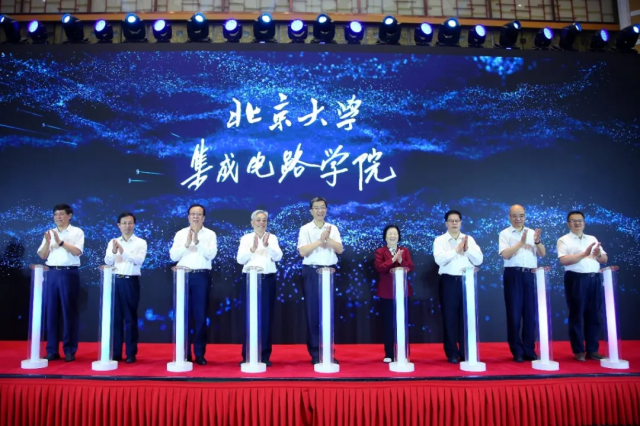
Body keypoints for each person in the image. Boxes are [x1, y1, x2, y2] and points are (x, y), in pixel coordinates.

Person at [297, 197, 344, 365]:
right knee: (313, 313)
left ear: (326, 209)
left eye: (323, 207)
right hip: (312, 272)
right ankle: (316, 353)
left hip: (329, 272)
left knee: (328, 313)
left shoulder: (333, 228)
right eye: (316, 208)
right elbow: (303, 252)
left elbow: (340, 249)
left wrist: (328, 239)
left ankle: (329, 352)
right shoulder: (305, 229)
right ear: (311, 211)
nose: (320, 210)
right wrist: (320, 240)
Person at [169, 204, 218, 366]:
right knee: (183, 316)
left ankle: (199, 353)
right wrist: (186, 244)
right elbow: (173, 256)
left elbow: (211, 255)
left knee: (200, 316)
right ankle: (184, 353)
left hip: (201, 276)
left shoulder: (210, 234)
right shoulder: (180, 234)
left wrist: (198, 243)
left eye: (199, 214)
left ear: (203, 218)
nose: (195, 217)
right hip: (182, 276)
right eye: (193, 214)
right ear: (188, 216)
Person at [433, 210, 483, 364]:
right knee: (449, 318)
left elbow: (479, 260)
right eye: (451, 220)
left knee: (466, 318)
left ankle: (466, 351)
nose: (454, 223)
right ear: (446, 223)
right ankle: (452, 353)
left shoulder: (469, 239)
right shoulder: (440, 240)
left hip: (467, 281)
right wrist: (456, 250)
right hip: (448, 281)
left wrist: (466, 249)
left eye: (457, 220)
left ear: (461, 222)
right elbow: (439, 260)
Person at [498, 204, 547, 362]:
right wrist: (520, 243)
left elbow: (543, 253)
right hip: (513, 275)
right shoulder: (505, 233)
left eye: (521, 215)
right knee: (514, 314)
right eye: (514, 216)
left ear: (525, 216)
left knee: (530, 314)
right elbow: (505, 255)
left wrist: (537, 241)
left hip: (531, 275)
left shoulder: (532, 233)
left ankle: (529, 350)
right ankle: (517, 351)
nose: (518, 219)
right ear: (509, 217)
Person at [37, 204, 85, 362]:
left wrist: (61, 242)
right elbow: (43, 255)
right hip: (51, 273)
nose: (58, 217)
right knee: (51, 312)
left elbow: (77, 252)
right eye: (55, 214)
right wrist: (47, 242)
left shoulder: (77, 232)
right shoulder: (49, 233)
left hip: (68, 273)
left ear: (69, 216)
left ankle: (69, 350)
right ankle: (52, 350)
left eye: (61, 214)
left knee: (69, 312)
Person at [557, 210, 607, 361]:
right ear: (568, 224)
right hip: (576, 279)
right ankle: (578, 350)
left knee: (594, 315)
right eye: (574, 221)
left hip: (594, 279)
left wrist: (598, 254)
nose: (577, 223)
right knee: (577, 315)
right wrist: (584, 254)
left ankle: (592, 350)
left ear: (584, 223)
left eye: (580, 220)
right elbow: (564, 260)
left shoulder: (592, 238)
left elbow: (604, 259)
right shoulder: (564, 240)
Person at [236, 210, 283, 367]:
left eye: (264, 220)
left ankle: (264, 355)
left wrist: (267, 246)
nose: (261, 223)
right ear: (252, 222)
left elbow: (278, 257)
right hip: (250, 279)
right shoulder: (246, 238)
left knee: (266, 317)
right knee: (249, 317)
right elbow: (240, 260)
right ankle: (248, 355)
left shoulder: (272, 238)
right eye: (258, 220)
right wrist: (252, 249)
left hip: (267, 279)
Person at [104, 212, 147, 364]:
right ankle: (115, 352)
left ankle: (130, 353)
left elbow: (139, 261)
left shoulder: (140, 242)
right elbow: (108, 261)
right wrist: (114, 252)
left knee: (130, 318)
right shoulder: (113, 242)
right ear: (119, 225)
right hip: (115, 281)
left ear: (134, 225)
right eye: (124, 223)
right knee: (115, 318)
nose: (127, 226)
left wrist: (123, 251)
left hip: (130, 282)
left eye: (130, 223)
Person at [374, 224, 414, 363]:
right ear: (385, 237)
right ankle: (389, 354)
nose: (392, 236)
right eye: (390, 233)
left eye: (395, 233)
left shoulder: (404, 250)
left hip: (403, 292)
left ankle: (403, 353)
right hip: (386, 293)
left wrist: (401, 260)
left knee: (403, 323)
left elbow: (410, 267)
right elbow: (379, 267)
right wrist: (392, 260)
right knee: (388, 324)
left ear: (398, 236)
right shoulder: (380, 251)